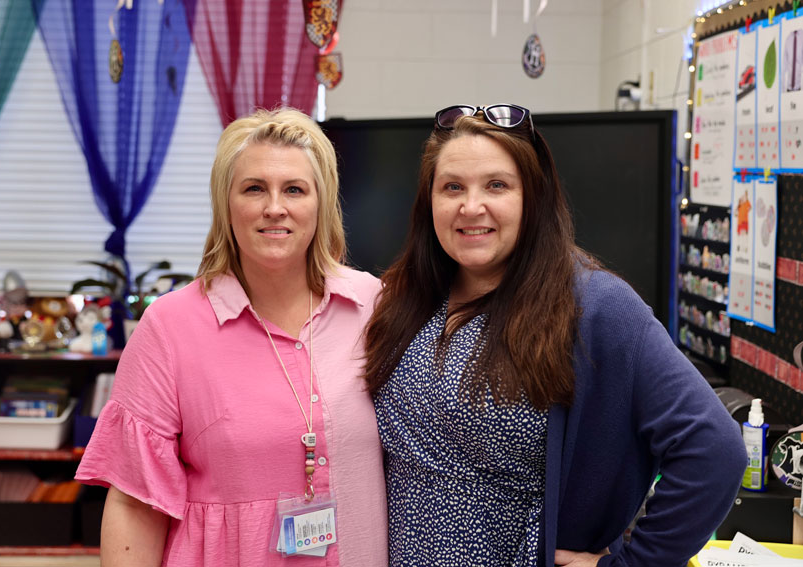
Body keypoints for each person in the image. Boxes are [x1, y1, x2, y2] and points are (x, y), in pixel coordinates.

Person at [363, 104, 747, 567]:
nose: (470, 206)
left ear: (534, 197)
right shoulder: (407, 297)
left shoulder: (595, 306)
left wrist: (630, 564)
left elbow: (715, 450)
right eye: (452, 188)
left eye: (497, 185)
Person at [76, 108, 388, 566]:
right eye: (254, 188)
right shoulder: (170, 327)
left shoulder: (371, 305)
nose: (274, 207)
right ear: (227, 203)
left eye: (295, 189)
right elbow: (133, 502)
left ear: (321, 203)